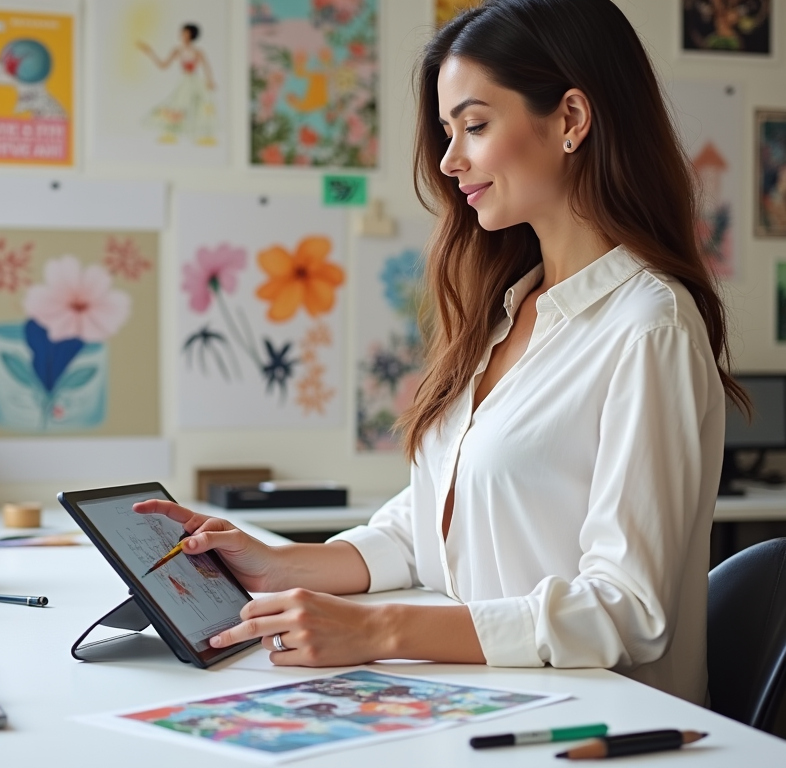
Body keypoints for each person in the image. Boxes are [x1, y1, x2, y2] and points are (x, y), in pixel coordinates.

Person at [135, 0, 744, 705]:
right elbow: (437, 525)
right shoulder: (509, 313)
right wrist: (277, 565)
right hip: (480, 702)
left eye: (475, 126)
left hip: (597, 724)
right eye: (448, 132)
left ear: (572, 120)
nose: (451, 160)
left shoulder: (648, 326)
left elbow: (625, 612)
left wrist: (382, 630)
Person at [136, 23, 217, 145]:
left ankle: (201, 136)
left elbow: (206, 66)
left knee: (198, 106)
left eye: (185, 33)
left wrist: (210, 80)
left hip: (195, 81)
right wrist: (150, 53)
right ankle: (171, 133)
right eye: (182, 32)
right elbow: (163, 65)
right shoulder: (177, 50)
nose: (182, 35)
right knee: (177, 104)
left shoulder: (198, 51)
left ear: (191, 35)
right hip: (184, 81)